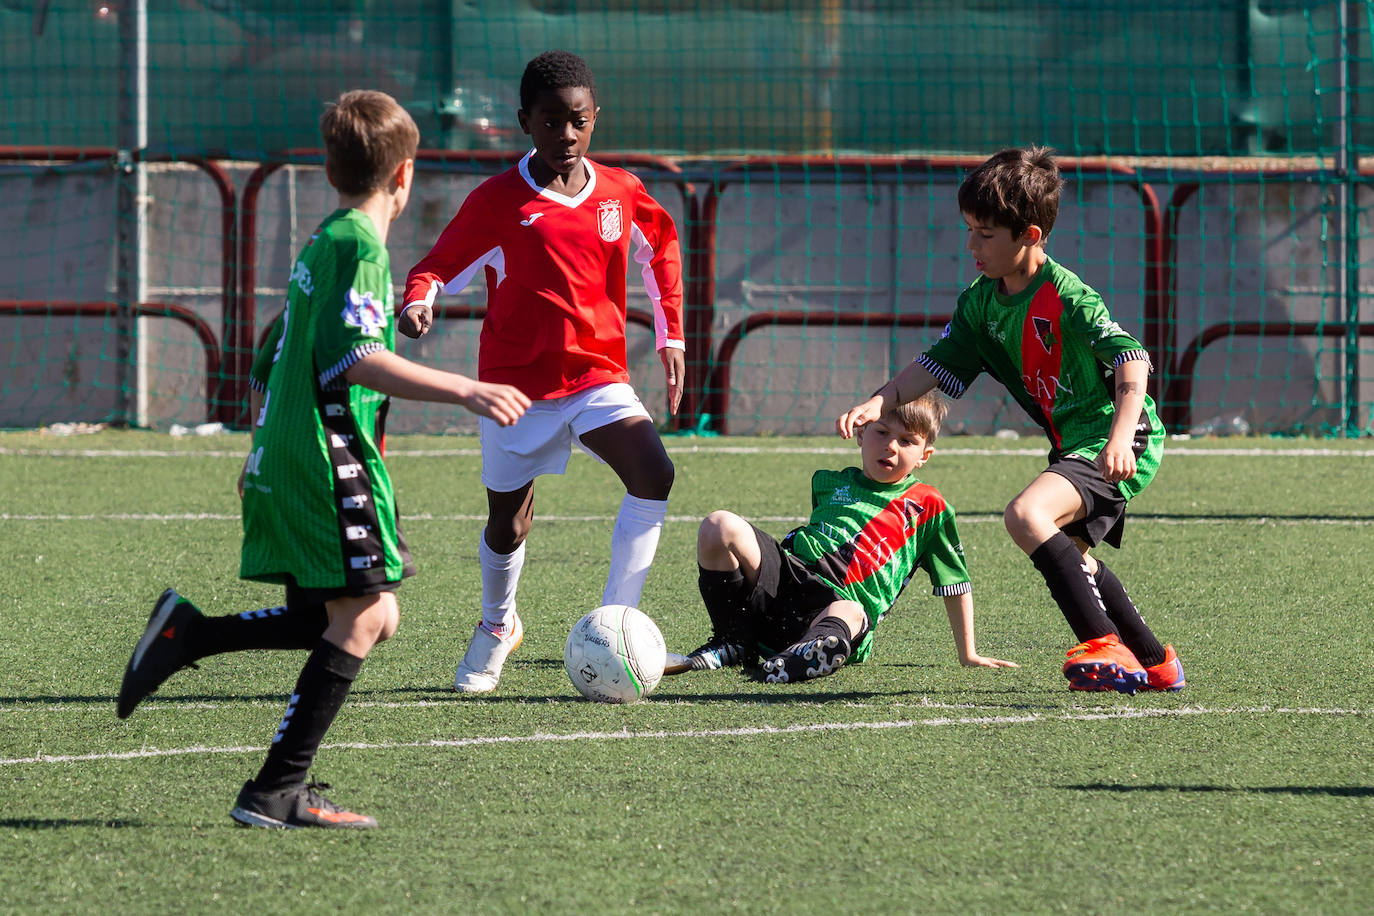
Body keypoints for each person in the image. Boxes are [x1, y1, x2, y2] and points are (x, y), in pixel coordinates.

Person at [115, 90, 530, 830]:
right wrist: (467, 387)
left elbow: (274, 348)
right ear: (404, 176)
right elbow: (358, 359)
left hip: (290, 449)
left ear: (331, 168)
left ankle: (192, 635)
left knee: (370, 614)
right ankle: (274, 789)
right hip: (327, 457)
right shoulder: (363, 248)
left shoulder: (326, 237)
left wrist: (258, 445)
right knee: (367, 613)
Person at [836, 146, 1185, 695]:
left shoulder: (1068, 297)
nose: (971, 245)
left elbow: (1132, 359)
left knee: (1025, 514)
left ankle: (1102, 642)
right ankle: (1156, 660)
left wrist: (1120, 438)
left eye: (985, 234)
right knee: (1073, 559)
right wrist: (880, 401)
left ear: (1029, 235)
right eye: (969, 231)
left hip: (1120, 433)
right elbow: (934, 362)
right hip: (1074, 442)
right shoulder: (981, 303)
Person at [399, 50, 685, 694]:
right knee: (509, 521)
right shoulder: (498, 200)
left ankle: (620, 618)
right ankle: (499, 624)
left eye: (578, 121)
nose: (566, 135)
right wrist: (420, 300)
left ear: (595, 120)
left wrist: (673, 336)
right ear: (525, 121)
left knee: (653, 470)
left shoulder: (620, 191)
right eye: (550, 121)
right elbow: (439, 264)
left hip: (598, 377)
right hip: (514, 390)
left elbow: (661, 249)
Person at [668, 392, 1018, 683]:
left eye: (907, 441)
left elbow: (955, 582)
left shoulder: (929, 506)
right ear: (861, 434)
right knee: (718, 524)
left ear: (924, 455)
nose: (891, 447)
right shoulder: (828, 482)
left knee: (850, 611)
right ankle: (733, 641)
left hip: (837, 607)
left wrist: (968, 653)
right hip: (789, 581)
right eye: (882, 433)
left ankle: (803, 655)